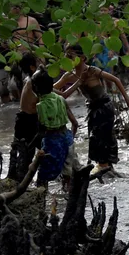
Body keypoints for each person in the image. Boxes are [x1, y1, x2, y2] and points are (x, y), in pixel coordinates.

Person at [56, 49, 129, 174]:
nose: (68, 59)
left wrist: (128, 101)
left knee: (104, 137)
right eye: (66, 56)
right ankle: (104, 168)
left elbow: (116, 80)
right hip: (92, 108)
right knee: (96, 138)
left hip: (104, 106)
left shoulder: (92, 71)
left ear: (82, 58)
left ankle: (105, 167)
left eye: (71, 56)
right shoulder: (69, 75)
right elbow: (52, 89)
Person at [31, 70, 79, 187]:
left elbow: (42, 130)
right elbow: (75, 123)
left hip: (52, 141)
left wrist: (31, 146)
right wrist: (70, 139)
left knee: (43, 176)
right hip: (67, 138)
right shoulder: (61, 99)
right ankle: (68, 198)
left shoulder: (40, 106)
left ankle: (41, 200)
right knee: (68, 175)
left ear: (35, 88)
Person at [10, 53, 41, 181]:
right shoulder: (33, 81)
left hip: (22, 119)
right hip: (29, 122)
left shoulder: (27, 79)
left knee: (24, 155)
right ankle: (22, 183)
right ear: (33, 67)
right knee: (28, 155)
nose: (41, 64)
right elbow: (52, 93)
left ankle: (20, 181)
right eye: (38, 62)